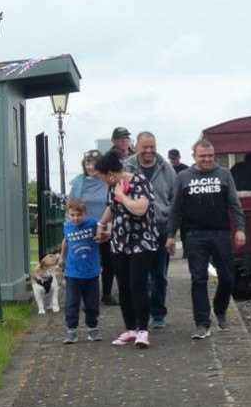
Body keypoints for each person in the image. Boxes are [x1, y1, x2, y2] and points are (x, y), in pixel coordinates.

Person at [166, 139, 247, 339]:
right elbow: (176, 209)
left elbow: (234, 205)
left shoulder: (224, 174)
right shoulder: (183, 177)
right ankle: (202, 323)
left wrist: (240, 229)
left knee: (228, 277)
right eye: (203, 156)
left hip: (221, 233)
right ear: (194, 156)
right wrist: (170, 235)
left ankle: (220, 309)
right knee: (199, 279)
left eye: (210, 156)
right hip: (194, 235)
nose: (207, 160)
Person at [94, 150, 160, 348]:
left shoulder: (140, 182)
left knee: (137, 284)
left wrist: (122, 196)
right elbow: (111, 207)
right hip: (119, 241)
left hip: (141, 241)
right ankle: (130, 328)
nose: (103, 181)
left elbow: (140, 209)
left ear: (111, 173)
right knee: (123, 286)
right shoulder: (113, 187)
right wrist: (102, 225)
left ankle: (142, 330)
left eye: (103, 176)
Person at [126, 132, 179, 329]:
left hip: (160, 228)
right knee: (140, 276)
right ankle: (142, 314)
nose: (149, 151)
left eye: (152, 147)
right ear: (137, 146)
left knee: (159, 275)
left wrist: (172, 229)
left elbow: (175, 198)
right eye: (145, 147)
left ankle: (158, 313)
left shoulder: (166, 169)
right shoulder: (127, 166)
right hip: (136, 230)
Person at [69, 149, 117, 305]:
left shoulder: (107, 180)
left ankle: (107, 294)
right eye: (87, 163)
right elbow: (71, 204)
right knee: (88, 260)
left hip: (106, 226)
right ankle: (90, 296)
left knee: (108, 261)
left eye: (94, 163)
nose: (90, 166)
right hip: (85, 228)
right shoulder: (78, 182)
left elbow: (114, 203)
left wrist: (109, 224)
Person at [58, 199, 101, 344]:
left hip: (91, 272)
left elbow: (104, 231)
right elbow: (66, 241)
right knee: (71, 302)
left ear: (85, 214)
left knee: (92, 303)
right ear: (68, 215)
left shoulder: (93, 224)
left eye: (79, 215)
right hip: (73, 273)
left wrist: (102, 235)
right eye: (72, 215)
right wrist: (62, 257)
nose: (76, 218)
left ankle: (93, 328)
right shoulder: (67, 226)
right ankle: (71, 330)